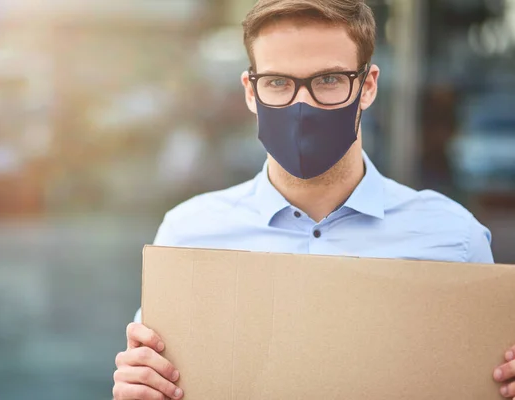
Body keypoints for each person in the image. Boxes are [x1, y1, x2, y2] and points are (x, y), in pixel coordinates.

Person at [112, 1, 515, 399]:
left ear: (368, 86)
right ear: (251, 92)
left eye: (328, 80)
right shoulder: (189, 234)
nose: (301, 105)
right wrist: (138, 388)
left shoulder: (453, 236)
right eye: (278, 82)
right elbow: (153, 380)